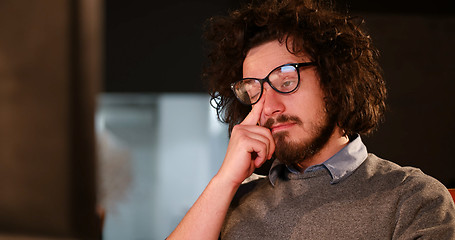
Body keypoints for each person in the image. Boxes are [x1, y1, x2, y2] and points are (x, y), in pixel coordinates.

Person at [168, 0, 455, 239]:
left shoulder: (412, 198)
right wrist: (224, 181)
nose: (269, 107)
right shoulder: (231, 200)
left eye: (286, 80)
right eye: (254, 89)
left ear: (335, 80)